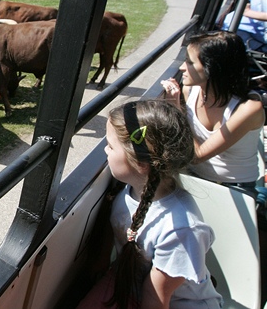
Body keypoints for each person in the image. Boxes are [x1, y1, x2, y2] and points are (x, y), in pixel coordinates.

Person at [76, 100, 222, 309]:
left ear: (141, 164)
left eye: (110, 146)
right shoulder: (129, 188)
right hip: (130, 284)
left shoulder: (181, 230)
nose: (106, 151)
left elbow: (155, 300)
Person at [161, 31, 264, 194]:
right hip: (192, 178)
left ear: (213, 69)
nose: (182, 67)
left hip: (233, 188)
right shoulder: (190, 90)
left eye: (190, 62)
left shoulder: (248, 108)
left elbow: (197, 156)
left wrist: (176, 109)